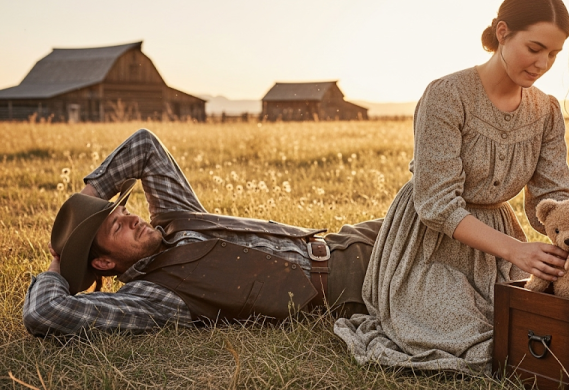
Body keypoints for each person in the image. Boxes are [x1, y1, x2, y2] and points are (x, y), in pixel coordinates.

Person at [334, 0, 569, 373]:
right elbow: (437, 206)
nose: (543, 63)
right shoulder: (447, 95)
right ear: (502, 32)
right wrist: (516, 251)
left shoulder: (546, 111)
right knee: (478, 339)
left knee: (543, 325)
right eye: (534, 48)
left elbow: (552, 197)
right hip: (430, 244)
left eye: (554, 53)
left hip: (500, 245)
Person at [23, 128, 382, 337]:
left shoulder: (175, 217)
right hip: (354, 286)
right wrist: (59, 262)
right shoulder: (153, 296)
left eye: (125, 211)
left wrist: (88, 202)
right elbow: (46, 311)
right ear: (103, 262)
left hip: (347, 239)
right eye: (117, 226)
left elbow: (144, 145)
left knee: (415, 197)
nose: (132, 219)